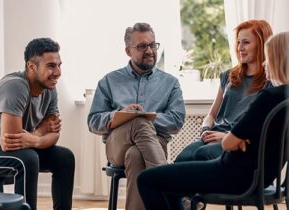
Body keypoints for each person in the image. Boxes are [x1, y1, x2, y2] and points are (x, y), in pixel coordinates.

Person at [137, 31, 289, 210]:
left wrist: (233, 139)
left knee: (146, 179)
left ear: (279, 60)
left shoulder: (269, 97)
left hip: (232, 174)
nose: (264, 63)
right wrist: (239, 139)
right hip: (259, 178)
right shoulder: (283, 99)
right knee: (172, 184)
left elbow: (228, 143)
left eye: (269, 57)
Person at [88, 22, 185, 210]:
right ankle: (174, 194)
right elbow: (93, 122)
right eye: (142, 46)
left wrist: (145, 117)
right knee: (138, 122)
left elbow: (176, 121)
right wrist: (121, 115)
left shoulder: (170, 83)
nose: (149, 51)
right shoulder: (109, 81)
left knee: (135, 155)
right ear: (128, 51)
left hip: (156, 144)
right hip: (117, 145)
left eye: (153, 45)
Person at [0, 38, 75, 210]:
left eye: (59, 65)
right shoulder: (15, 87)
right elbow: (12, 143)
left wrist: (34, 138)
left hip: (14, 145)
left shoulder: (50, 88)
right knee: (27, 158)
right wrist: (41, 131)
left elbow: (54, 134)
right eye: (51, 66)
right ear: (31, 67)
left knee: (65, 157)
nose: (57, 72)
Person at [175, 19, 273, 162]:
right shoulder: (228, 75)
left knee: (202, 154)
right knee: (182, 159)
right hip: (212, 135)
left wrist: (227, 136)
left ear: (262, 44)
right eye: (238, 42)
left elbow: (262, 128)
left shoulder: (271, 83)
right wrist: (205, 130)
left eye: (246, 42)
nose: (240, 47)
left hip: (237, 141)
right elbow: (212, 115)